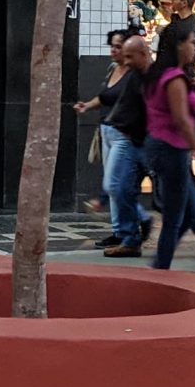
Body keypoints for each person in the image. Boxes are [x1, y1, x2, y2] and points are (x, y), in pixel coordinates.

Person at [143, 20, 195, 268]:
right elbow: (182, 121)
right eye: (191, 43)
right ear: (179, 46)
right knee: (175, 219)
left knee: (187, 213)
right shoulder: (174, 78)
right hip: (172, 150)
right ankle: (160, 268)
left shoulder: (160, 75)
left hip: (162, 148)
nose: (194, 48)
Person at [74, 28, 140, 245]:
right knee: (113, 185)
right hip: (106, 131)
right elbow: (104, 97)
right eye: (112, 46)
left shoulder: (135, 74)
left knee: (113, 184)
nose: (113, 50)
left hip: (123, 134)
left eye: (118, 47)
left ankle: (134, 224)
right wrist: (87, 106)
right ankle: (119, 230)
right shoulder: (113, 69)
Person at [100, 30, 153, 258]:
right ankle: (130, 237)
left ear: (144, 54)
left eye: (130, 56)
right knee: (120, 188)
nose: (126, 60)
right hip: (130, 139)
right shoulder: (132, 75)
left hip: (147, 143)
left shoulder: (156, 77)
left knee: (175, 195)